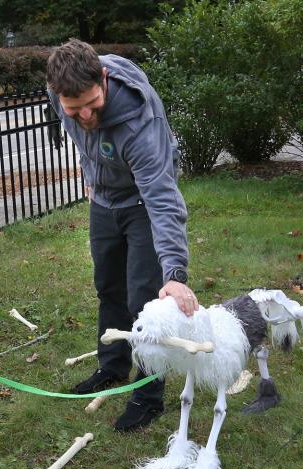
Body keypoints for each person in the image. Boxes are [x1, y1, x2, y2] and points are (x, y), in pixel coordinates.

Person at [45, 39, 198, 431]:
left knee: (144, 300)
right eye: (72, 109)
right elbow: (88, 140)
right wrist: (92, 176)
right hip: (104, 201)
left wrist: (175, 275)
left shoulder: (140, 125)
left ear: (105, 79)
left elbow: (163, 200)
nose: (84, 115)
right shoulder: (60, 92)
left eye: (91, 104)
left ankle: (148, 396)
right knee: (108, 287)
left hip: (144, 205)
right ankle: (111, 366)